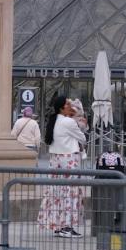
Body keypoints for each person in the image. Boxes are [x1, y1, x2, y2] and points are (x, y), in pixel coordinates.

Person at [37, 96, 85, 238]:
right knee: (71, 191)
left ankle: (58, 225)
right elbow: (82, 138)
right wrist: (77, 117)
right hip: (69, 157)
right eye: (68, 104)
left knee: (56, 192)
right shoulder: (69, 122)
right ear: (62, 107)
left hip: (55, 158)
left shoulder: (55, 121)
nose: (72, 106)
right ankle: (67, 226)